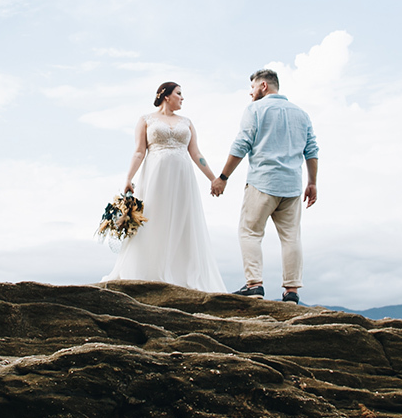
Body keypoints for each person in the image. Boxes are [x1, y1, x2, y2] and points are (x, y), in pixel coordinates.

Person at [102, 82, 227, 293]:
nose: (182, 98)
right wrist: (128, 178)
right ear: (166, 96)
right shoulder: (146, 120)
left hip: (182, 177)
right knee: (154, 218)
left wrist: (214, 179)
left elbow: (196, 154)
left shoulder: (187, 122)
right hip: (155, 176)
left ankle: (180, 273)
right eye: (179, 94)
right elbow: (139, 152)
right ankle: (149, 271)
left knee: (182, 219)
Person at [211, 69, 318, 303]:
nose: (250, 94)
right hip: (292, 186)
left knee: (249, 232)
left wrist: (223, 177)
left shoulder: (255, 110)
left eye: (252, 88)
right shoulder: (302, 114)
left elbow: (241, 144)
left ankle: (255, 285)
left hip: (263, 182)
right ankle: (291, 292)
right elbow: (312, 150)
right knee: (291, 237)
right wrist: (312, 183)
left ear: (263, 86)